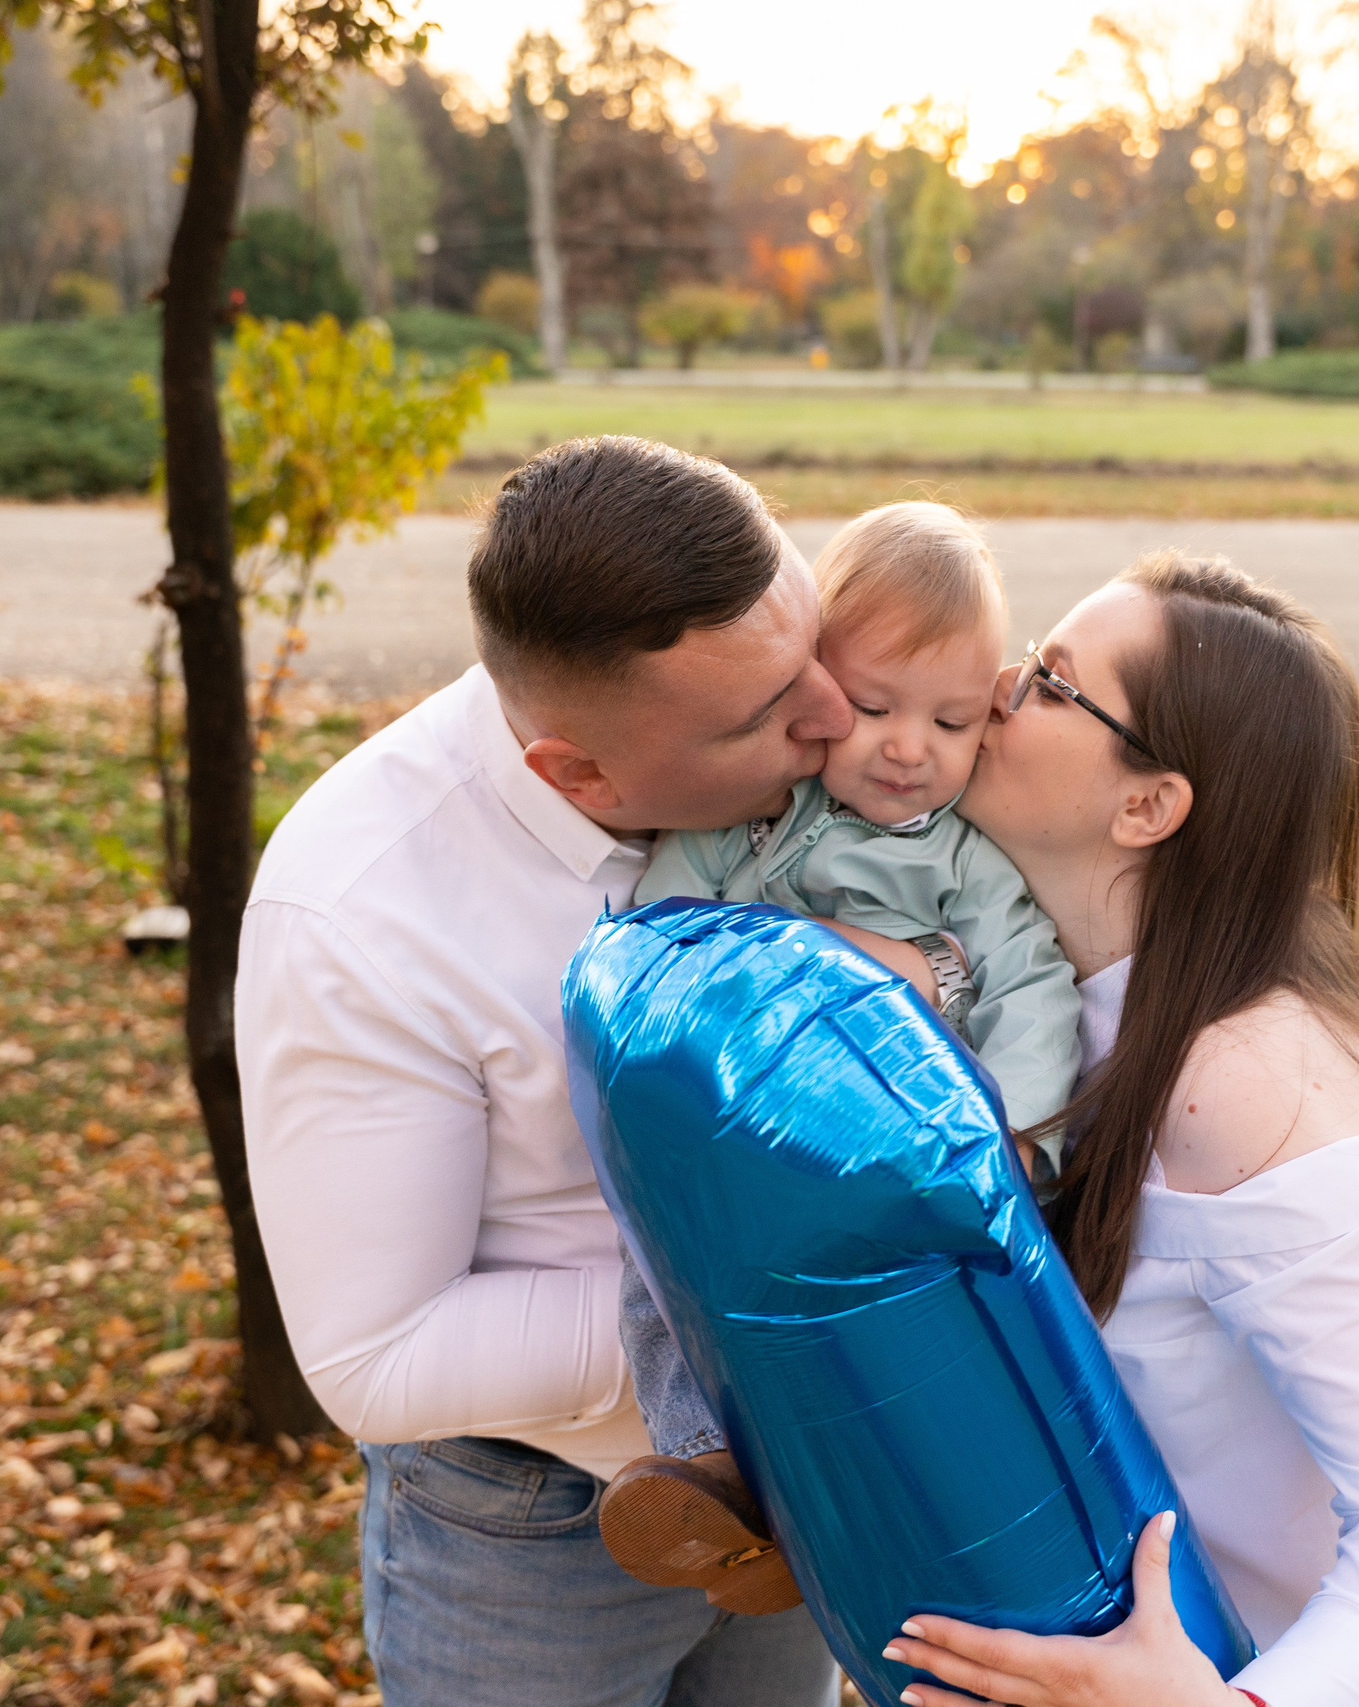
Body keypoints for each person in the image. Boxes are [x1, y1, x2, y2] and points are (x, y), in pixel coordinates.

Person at [237, 437, 906, 1707]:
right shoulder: (362, 912)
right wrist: (754, 1309)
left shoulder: (796, 755)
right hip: (532, 1538)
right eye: (766, 716)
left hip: (800, 1483)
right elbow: (372, 1358)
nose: (832, 714)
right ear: (576, 773)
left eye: (807, 646)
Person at [881, 554, 1359, 1707]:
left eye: (1050, 681)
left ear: (1146, 806)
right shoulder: (1060, 1008)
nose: (999, 686)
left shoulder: (1245, 1081)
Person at [600, 502, 1081, 1618]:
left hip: (905, 1155)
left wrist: (1019, 1137)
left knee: (904, 1321)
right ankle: (703, 1467)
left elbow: (1033, 988)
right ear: (815, 684)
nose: (909, 747)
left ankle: (855, 1489)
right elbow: (661, 937)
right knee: (662, 1274)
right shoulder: (753, 817)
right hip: (735, 1137)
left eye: (954, 722)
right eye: (872, 707)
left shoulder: (970, 865)